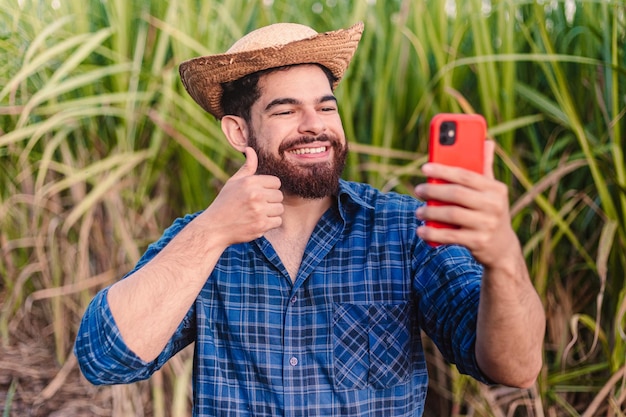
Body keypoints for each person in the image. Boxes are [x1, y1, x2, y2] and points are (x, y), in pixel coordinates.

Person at [74, 22, 545, 416]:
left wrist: (503, 258)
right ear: (239, 131)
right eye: (286, 110)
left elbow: (515, 368)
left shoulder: (405, 229)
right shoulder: (201, 242)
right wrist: (212, 231)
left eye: (325, 106)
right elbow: (104, 360)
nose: (315, 125)